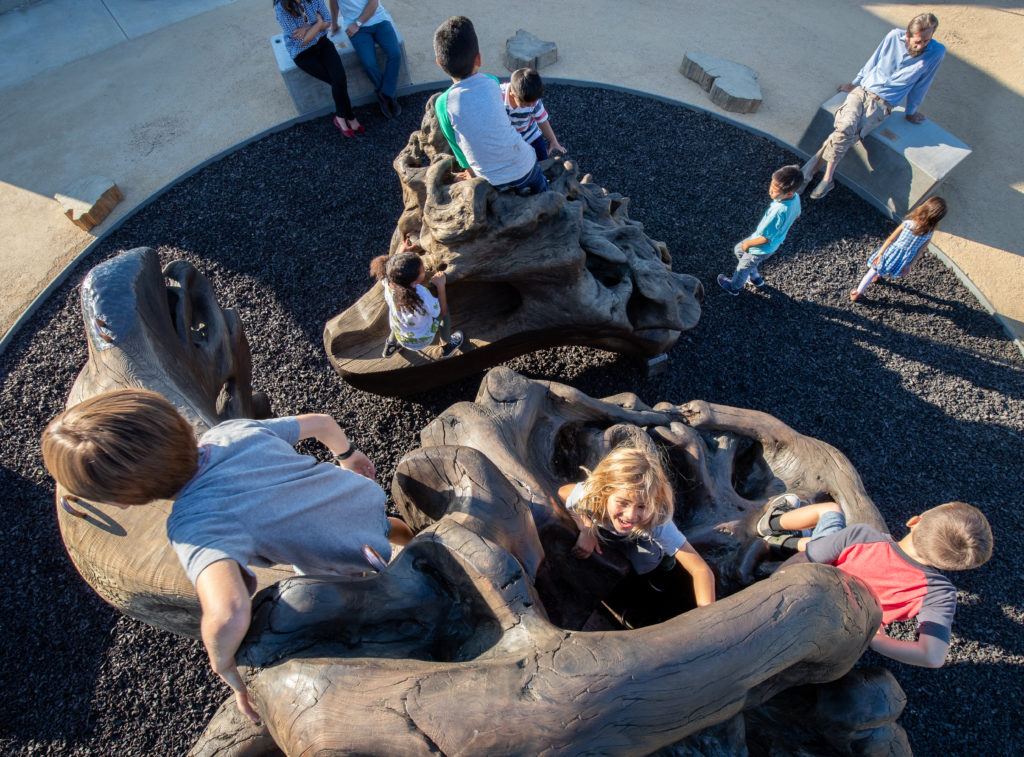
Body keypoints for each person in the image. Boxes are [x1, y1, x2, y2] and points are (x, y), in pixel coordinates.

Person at [40, 388, 415, 722]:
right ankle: (411, 537)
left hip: (345, 561)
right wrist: (347, 455)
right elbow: (322, 422)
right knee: (383, 526)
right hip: (359, 500)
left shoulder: (196, 526)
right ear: (174, 420)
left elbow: (230, 610)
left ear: (122, 501)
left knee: (339, 600)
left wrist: (224, 666)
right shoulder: (232, 432)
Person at [756, 495, 992, 668]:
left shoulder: (862, 536)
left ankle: (772, 523)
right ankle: (786, 539)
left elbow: (803, 561)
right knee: (823, 542)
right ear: (951, 566)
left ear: (914, 521)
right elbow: (932, 656)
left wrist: (776, 582)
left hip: (811, 590)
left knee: (830, 511)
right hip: (842, 636)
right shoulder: (940, 593)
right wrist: (876, 639)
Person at [802, 13, 946, 200]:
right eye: (917, 41)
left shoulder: (936, 52)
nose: (921, 46)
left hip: (882, 105)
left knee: (844, 134)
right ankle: (827, 178)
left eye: (926, 40)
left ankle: (806, 176)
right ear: (908, 35)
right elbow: (873, 61)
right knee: (845, 129)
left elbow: (922, 84)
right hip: (862, 91)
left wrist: (911, 112)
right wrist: (854, 83)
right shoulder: (894, 36)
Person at [558, 446, 716, 608]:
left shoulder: (658, 521)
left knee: (648, 561)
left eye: (642, 506)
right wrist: (586, 529)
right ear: (605, 491)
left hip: (644, 538)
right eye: (623, 503)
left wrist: (707, 617)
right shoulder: (592, 496)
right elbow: (563, 493)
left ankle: (662, 568)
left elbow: (700, 570)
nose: (631, 515)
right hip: (608, 532)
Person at [432, 16, 548, 195]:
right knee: (541, 186)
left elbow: (457, 146)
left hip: (490, 180)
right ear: (478, 59)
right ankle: (544, 193)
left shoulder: (442, 105)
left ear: (439, 64)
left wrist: (469, 172)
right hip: (525, 166)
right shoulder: (492, 82)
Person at [275, 0, 364, 137]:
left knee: (339, 79)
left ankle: (342, 117)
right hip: (303, 53)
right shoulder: (281, 8)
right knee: (337, 82)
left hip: (323, 44)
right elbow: (301, 41)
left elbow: (327, 21)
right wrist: (318, 23)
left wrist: (307, 28)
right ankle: (350, 117)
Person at [370, 240, 465, 359]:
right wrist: (441, 286)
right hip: (423, 339)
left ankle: (391, 346)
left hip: (402, 336)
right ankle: (447, 346)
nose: (425, 270)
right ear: (415, 282)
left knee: (397, 321)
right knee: (445, 315)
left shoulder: (388, 282)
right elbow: (441, 311)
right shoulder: (421, 295)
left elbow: (392, 269)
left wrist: (402, 252)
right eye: (423, 271)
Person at [717, 165, 803, 295]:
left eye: (774, 191)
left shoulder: (778, 211)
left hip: (761, 247)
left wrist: (748, 243)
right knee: (739, 251)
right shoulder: (795, 197)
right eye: (771, 186)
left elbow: (765, 238)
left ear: (789, 193)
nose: (770, 191)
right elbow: (797, 214)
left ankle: (734, 287)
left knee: (742, 268)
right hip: (772, 243)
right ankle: (755, 277)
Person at [851, 196, 947, 302]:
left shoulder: (907, 224)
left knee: (872, 271)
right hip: (905, 259)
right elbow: (920, 251)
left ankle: (857, 293)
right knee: (886, 268)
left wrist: (880, 253)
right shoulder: (929, 234)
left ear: (923, 208)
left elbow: (890, 239)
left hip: (891, 253)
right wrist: (909, 265)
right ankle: (878, 276)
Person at [328, 0, 403, 119]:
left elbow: (373, 3)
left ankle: (386, 94)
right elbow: (333, 4)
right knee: (369, 64)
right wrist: (334, 24)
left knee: (395, 54)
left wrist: (357, 24)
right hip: (358, 31)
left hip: (378, 20)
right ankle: (388, 95)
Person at [500, 68, 565, 161]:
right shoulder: (498, 98)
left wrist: (553, 141)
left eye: (534, 102)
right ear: (512, 94)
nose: (531, 105)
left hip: (530, 134)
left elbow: (542, 121)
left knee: (543, 159)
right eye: (526, 104)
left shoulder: (534, 101)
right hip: (508, 138)